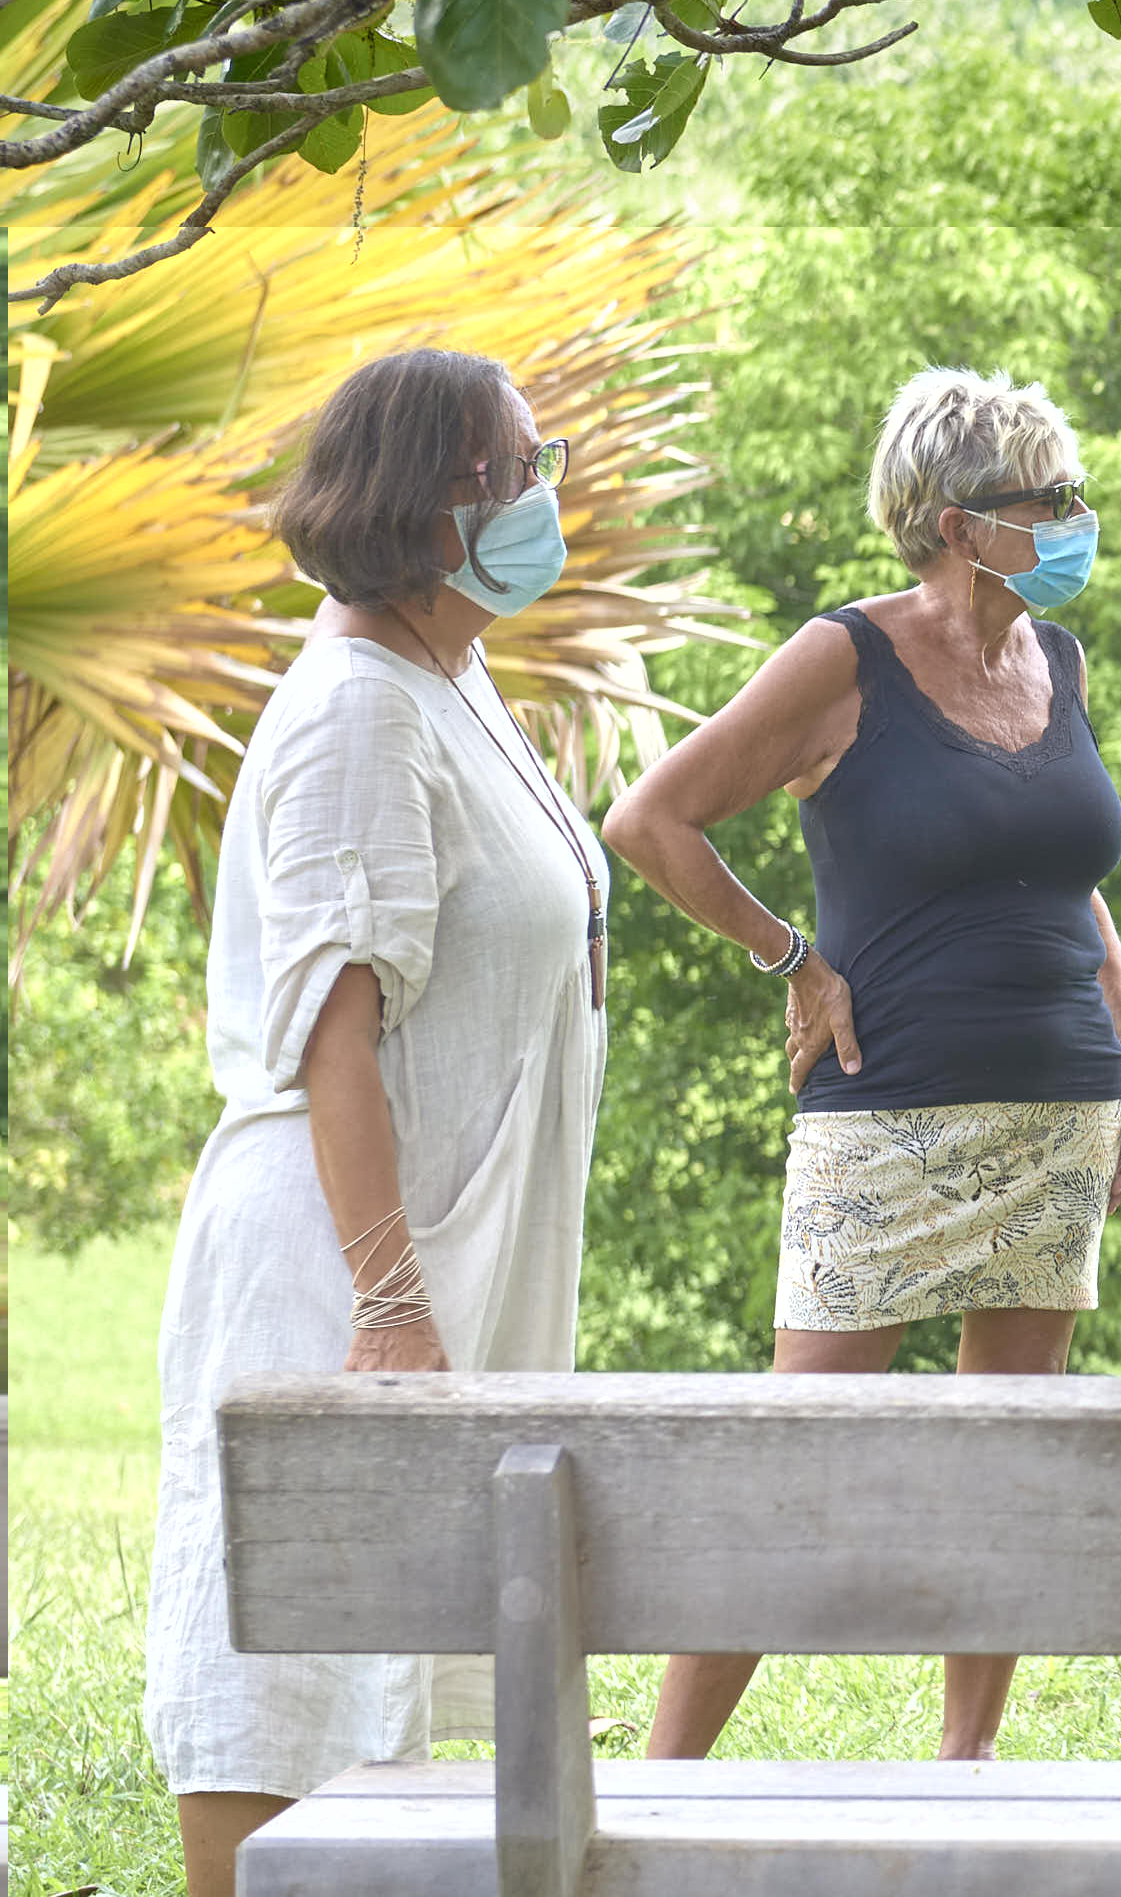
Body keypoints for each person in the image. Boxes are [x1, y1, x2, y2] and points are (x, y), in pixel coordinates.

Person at [603, 365, 1121, 1763]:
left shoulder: (1056, 659)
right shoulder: (842, 659)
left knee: (1008, 1460)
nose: (1076, 518)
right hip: (887, 1120)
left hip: (1058, 1113)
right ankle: (663, 1784)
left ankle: (966, 1769)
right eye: (1050, 498)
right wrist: (794, 959)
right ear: (961, 522)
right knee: (795, 1459)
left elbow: (1070, 875)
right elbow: (652, 819)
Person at [145, 350, 609, 1897]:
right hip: (334, 1267)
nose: (549, 493)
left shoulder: (442, 677)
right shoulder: (356, 709)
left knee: (382, 1675)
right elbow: (334, 1025)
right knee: (278, 1675)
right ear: (440, 499)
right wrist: (393, 1297)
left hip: (417, 1246)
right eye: (526, 466)